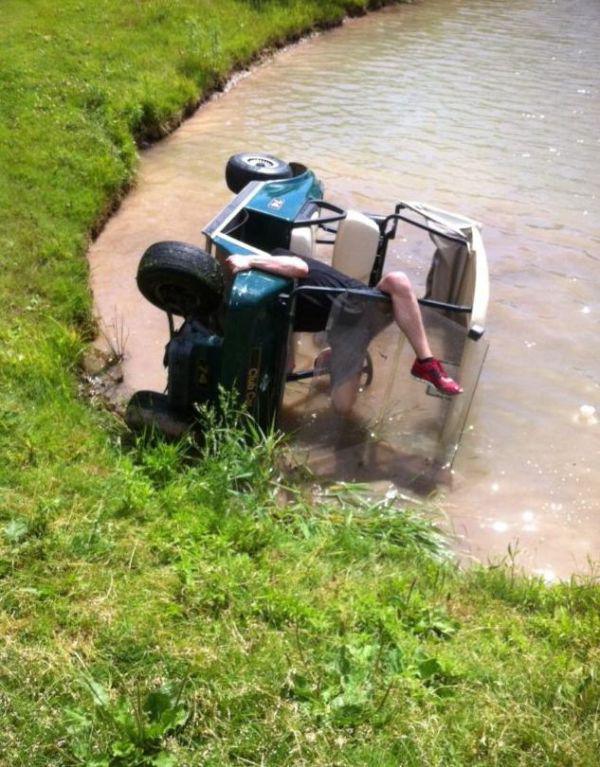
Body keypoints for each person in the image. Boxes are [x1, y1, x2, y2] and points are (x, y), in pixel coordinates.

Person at [224, 250, 462, 413]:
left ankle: (427, 362)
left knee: (398, 280)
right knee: (343, 408)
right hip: (345, 334)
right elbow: (288, 362)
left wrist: (250, 261)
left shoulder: (279, 258)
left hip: (361, 304)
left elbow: (300, 268)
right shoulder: (276, 310)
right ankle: (336, 358)